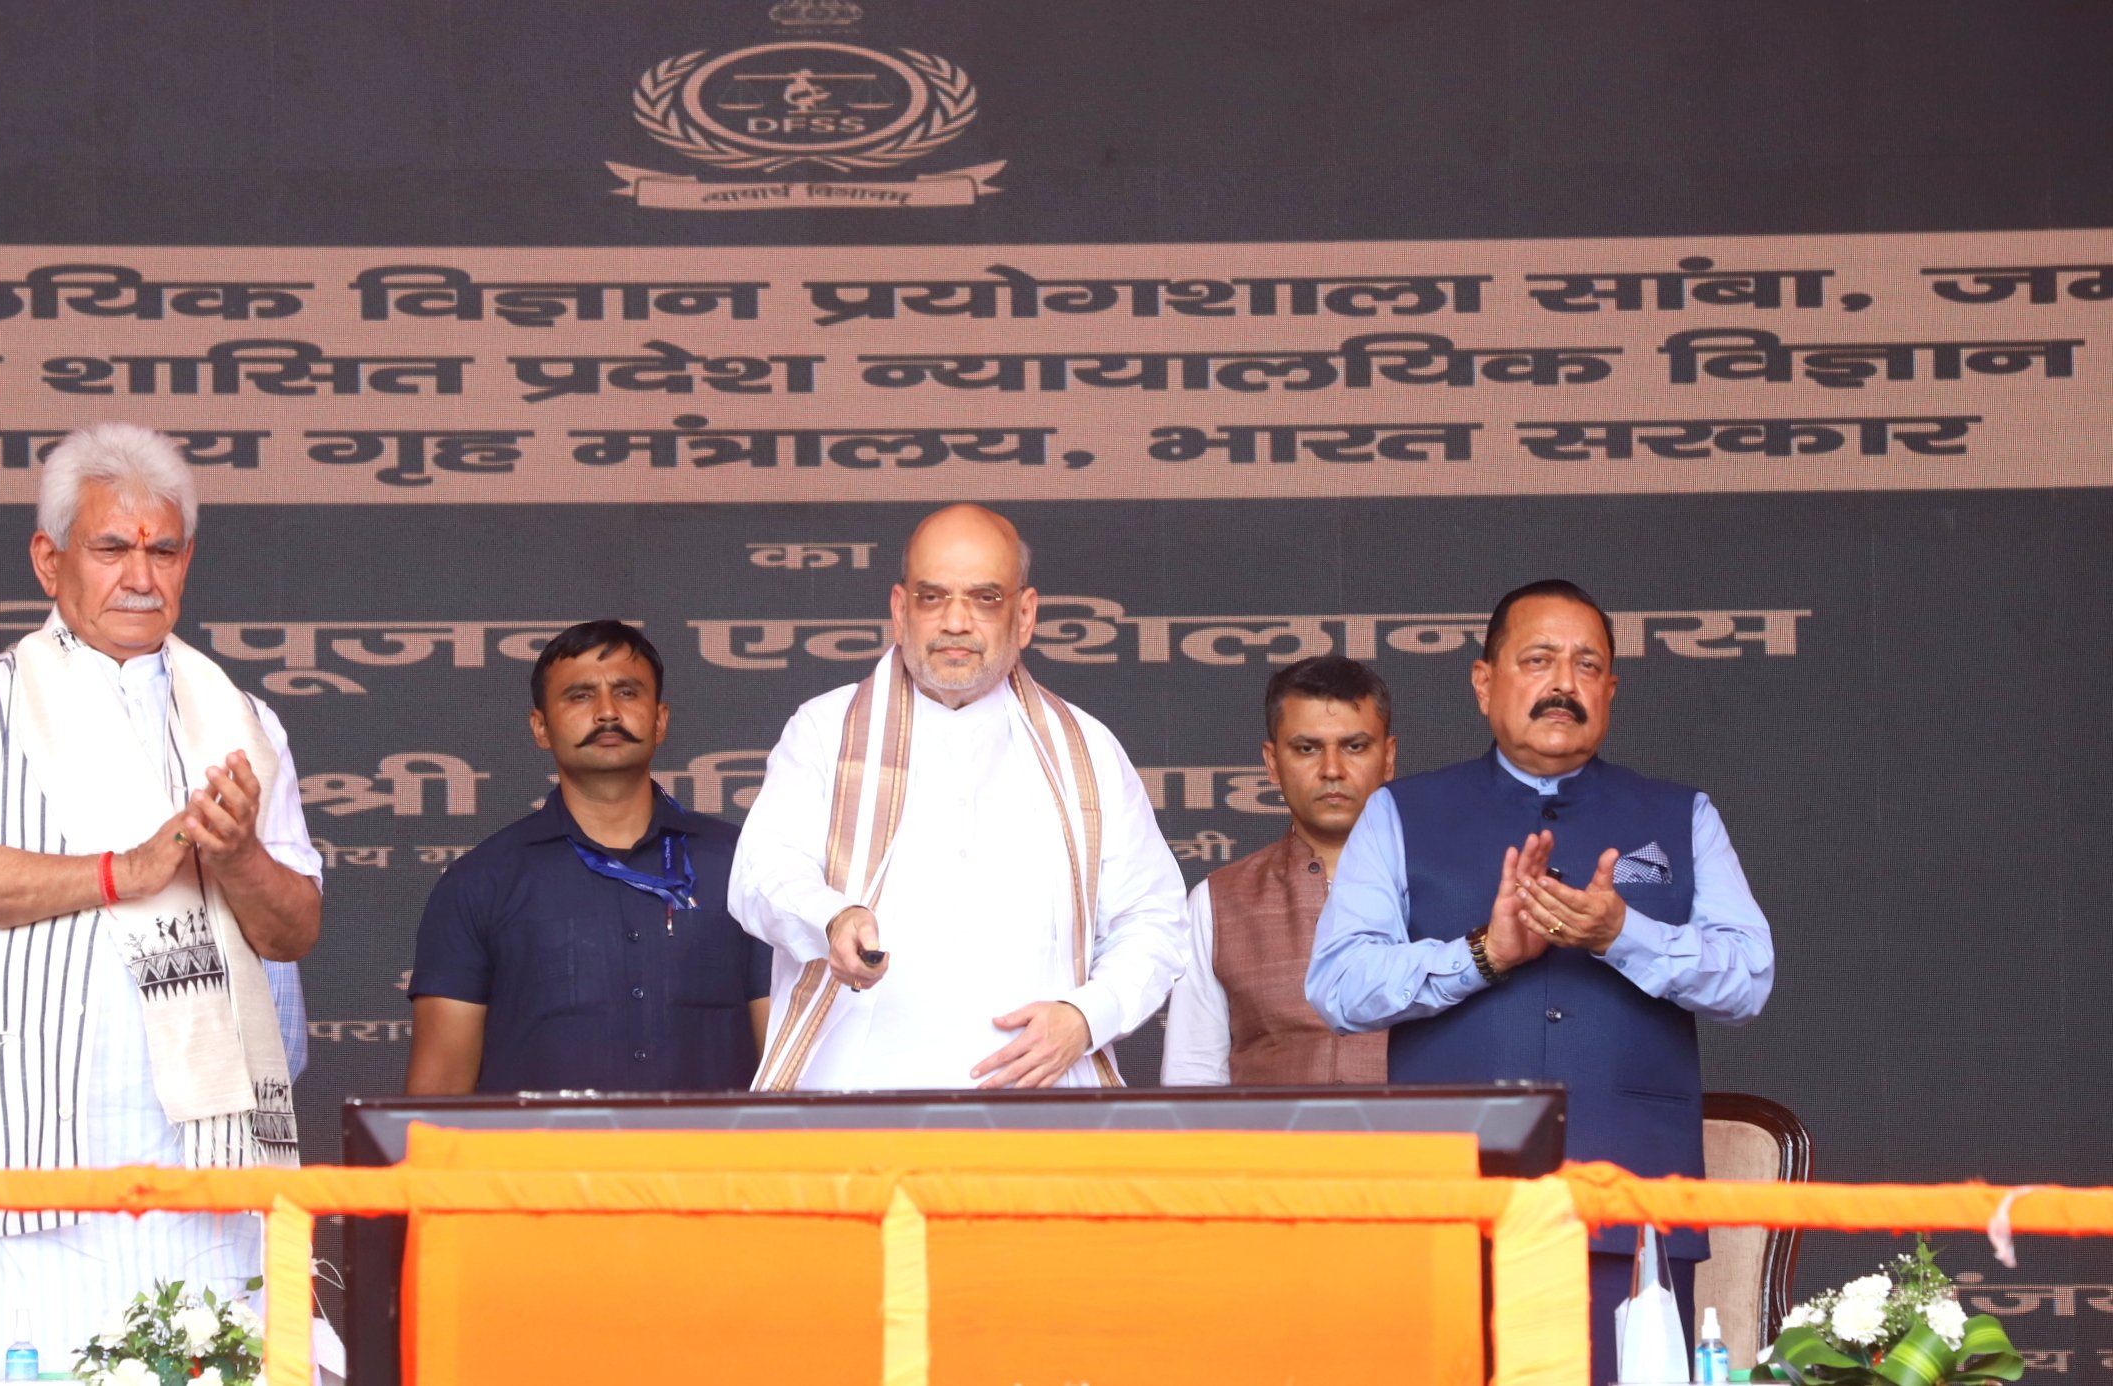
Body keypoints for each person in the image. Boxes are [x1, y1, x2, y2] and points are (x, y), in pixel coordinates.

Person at [0, 424, 322, 1378]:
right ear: (50, 561)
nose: (141, 576)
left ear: (187, 559)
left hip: (204, 1166)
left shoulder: (245, 724)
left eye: (162, 550)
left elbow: (293, 929)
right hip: (13, 1152)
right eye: (111, 548)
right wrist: (121, 870)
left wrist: (236, 854)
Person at [1305, 578, 1775, 1385]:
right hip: (1457, 1209)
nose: (1564, 683)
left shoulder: (1682, 815)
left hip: (1631, 1211)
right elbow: (1340, 986)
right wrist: (1483, 954)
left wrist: (1624, 934)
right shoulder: (1399, 813)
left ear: (1611, 691)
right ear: (1485, 682)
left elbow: (1748, 979)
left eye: (1587, 665)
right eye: (1539, 659)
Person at [730, 504, 1188, 1090]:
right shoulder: (825, 730)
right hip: (856, 1105)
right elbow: (760, 874)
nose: (955, 622)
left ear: (1024, 615)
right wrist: (831, 918)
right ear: (900, 611)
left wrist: (1085, 1016)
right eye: (932, 597)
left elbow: (1153, 918)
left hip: (1042, 1112)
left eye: (984, 598)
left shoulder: (1088, 750)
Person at [406, 621, 769, 1093]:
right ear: (540, 727)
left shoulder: (745, 865)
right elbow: (437, 1096)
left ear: (660, 719)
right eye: (579, 696)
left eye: (627, 692)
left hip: (715, 1165)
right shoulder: (480, 882)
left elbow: (790, 1070)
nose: (606, 713)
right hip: (538, 1167)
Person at [1161, 657, 1393, 1086]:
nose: (1332, 770)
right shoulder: (1218, 902)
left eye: (1355, 746)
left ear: (1388, 757)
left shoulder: (1446, 889)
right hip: (1267, 1153)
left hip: (1424, 1151)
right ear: (1272, 763)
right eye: (1307, 748)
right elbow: (1193, 1079)